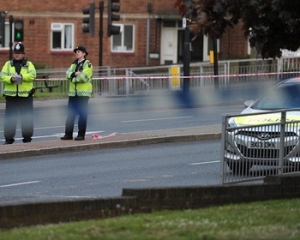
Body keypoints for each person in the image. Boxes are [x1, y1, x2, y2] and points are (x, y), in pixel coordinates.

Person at [0, 42, 36, 144]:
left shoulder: (29, 64)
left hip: (26, 95)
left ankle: (27, 138)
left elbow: (33, 75)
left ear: (23, 53)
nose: (17, 54)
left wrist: (22, 77)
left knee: (27, 117)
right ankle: (9, 138)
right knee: (10, 118)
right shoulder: (8, 64)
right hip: (11, 96)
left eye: (19, 53)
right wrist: (11, 79)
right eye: (15, 52)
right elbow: (2, 76)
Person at [61, 46, 93, 141]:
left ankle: (81, 135)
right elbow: (67, 74)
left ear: (84, 53)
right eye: (76, 52)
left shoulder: (88, 64)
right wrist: (75, 74)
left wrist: (73, 77)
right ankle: (68, 134)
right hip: (73, 94)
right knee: (70, 115)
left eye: (79, 51)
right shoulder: (73, 64)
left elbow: (83, 77)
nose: (77, 53)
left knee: (82, 115)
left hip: (83, 94)